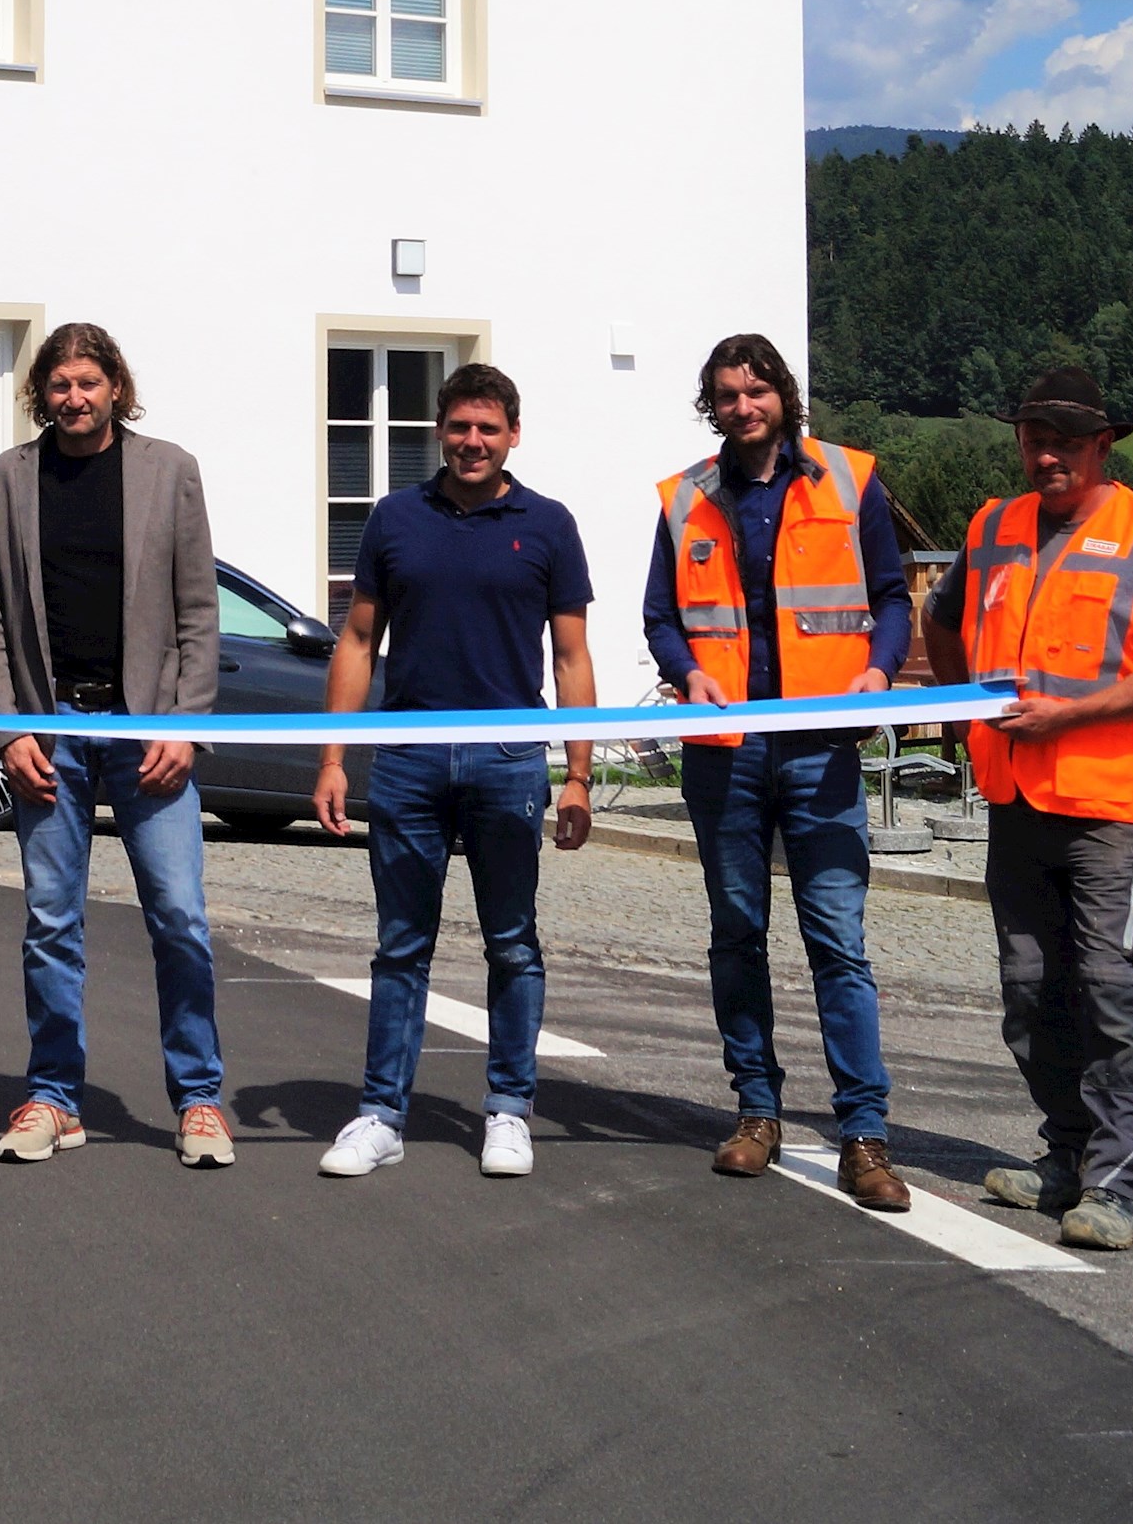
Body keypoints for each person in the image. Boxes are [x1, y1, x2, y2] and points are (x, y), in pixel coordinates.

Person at [943, 363, 1133, 1254]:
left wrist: (1066, 715)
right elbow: (945, 621)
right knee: (1029, 993)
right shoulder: (993, 526)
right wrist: (965, 702)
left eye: (1066, 439)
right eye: (1034, 436)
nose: (1047, 454)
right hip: (1017, 801)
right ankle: (1063, 1154)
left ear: (1103, 445)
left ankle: (1115, 1181)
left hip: (1116, 810)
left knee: (1111, 993)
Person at [645, 333, 916, 1212]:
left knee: (838, 940)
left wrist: (877, 672)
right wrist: (688, 671)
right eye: (727, 395)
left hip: (820, 747)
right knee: (736, 935)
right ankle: (756, 1111)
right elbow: (660, 616)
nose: (743, 406)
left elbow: (891, 595)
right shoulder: (687, 497)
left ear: (783, 395)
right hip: (724, 751)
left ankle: (863, 1134)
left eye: (756, 390)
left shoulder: (847, 478)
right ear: (711, 406)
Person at [310, 362, 593, 1181]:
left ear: (512, 434)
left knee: (512, 943)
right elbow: (358, 641)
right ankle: (381, 1114)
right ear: (440, 431)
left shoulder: (547, 524)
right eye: (459, 426)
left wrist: (576, 773)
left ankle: (508, 1108)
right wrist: (334, 757)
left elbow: (570, 655)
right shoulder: (396, 518)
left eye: (488, 428)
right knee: (401, 946)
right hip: (406, 760)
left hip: (509, 761)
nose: (473, 441)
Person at [0, 321, 231, 1168]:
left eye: (88, 381)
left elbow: (198, 611)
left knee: (181, 918)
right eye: (58, 384)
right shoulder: (5, 481)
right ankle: (54, 1097)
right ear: (39, 393)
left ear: (116, 384)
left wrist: (184, 723)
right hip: (49, 733)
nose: (72, 397)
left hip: (147, 731)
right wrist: (8, 728)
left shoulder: (170, 471)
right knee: (51, 922)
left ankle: (197, 1100)